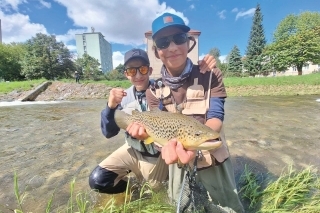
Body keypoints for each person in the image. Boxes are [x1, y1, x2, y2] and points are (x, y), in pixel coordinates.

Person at [127, 13, 244, 212]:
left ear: (188, 43)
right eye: (163, 42)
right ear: (156, 52)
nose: (172, 47)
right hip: (178, 160)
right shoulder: (153, 90)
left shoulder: (210, 74)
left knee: (227, 207)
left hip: (212, 155)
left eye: (179, 39)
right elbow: (157, 128)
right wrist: (145, 135)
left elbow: (216, 116)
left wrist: (196, 145)